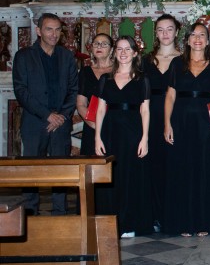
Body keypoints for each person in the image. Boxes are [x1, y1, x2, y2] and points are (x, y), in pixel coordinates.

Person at [163, 23, 210, 237]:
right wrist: (166, 123)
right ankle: (183, 221)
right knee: (182, 170)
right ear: (187, 40)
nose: (198, 39)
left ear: (208, 41)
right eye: (194, 35)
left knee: (204, 169)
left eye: (202, 35)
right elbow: (170, 96)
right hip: (180, 121)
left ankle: (203, 221)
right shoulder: (176, 64)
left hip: (205, 122)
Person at [13, 13, 78, 216]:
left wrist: (62, 116)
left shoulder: (66, 56)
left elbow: (73, 90)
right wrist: (47, 115)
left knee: (60, 169)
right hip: (35, 122)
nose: (54, 34)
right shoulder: (23, 56)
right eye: (49, 29)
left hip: (61, 123)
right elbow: (21, 91)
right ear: (39, 31)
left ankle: (60, 212)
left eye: (58, 29)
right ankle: (30, 213)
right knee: (32, 169)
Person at [94, 36, 152, 238]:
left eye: (128, 49)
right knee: (112, 178)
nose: (123, 53)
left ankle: (129, 223)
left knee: (130, 177)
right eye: (119, 49)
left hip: (133, 132)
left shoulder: (142, 79)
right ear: (114, 52)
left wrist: (144, 138)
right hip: (110, 133)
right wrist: (97, 138)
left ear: (135, 53)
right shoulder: (105, 79)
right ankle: (111, 223)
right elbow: (100, 110)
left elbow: (145, 111)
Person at [142, 14, 181, 233]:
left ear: (176, 32)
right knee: (153, 166)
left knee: (174, 166)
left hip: (176, 116)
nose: (165, 34)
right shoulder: (146, 60)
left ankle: (173, 214)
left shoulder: (184, 59)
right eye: (160, 30)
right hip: (151, 115)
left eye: (169, 29)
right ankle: (155, 215)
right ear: (155, 33)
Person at [76, 33, 113, 156]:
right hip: (92, 125)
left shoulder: (119, 70)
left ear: (111, 49)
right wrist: (92, 123)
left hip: (114, 125)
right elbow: (81, 103)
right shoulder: (85, 72)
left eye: (104, 44)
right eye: (96, 43)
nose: (99, 46)